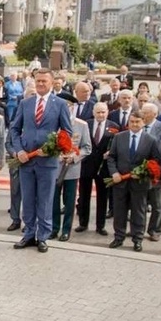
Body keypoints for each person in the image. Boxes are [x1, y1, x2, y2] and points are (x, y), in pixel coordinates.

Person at [9, 69, 73, 252]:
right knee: (27, 199)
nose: (41, 84)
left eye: (44, 81)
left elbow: (66, 133)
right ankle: (29, 234)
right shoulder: (25, 103)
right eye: (38, 81)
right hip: (26, 161)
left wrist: (53, 148)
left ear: (52, 83)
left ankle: (43, 236)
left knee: (45, 200)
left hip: (48, 162)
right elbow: (14, 129)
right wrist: (19, 150)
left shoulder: (60, 104)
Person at [106, 112, 160, 252]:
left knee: (139, 211)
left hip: (139, 183)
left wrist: (144, 173)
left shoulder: (151, 140)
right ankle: (119, 237)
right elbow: (111, 157)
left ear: (143, 122)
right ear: (128, 123)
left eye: (137, 121)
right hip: (120, 182)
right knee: (119, 211)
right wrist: (114, 172)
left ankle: (137, 239)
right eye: (132, 122)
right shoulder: (119, 137)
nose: (135, 124)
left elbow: (156, 161)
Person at [51, 92, 92, 242]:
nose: (65, 109)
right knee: (53, 201)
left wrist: (74, 157)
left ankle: (66, 230)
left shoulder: (81, 125)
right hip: (54, 168)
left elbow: (87, 147)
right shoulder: (51, 123)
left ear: (72, 107)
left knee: (69, 202)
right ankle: (54, 228)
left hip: (72, 169)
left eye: (68, 106)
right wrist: (56, 155)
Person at [76, 102, 118, 236]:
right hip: (86, 165)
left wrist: (111, 152)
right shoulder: (85, 124)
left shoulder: (114, 127)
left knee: (102, 197)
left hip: (103, 167)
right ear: (93, 112)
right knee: (84, 195)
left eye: (103, 112)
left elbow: (117, 144)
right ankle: (83, 223)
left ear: (107, 112)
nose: (101, 115)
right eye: (98, 112)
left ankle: (100, 226)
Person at [140, 103, 161, 241]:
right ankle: (138, 229)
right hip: (139, 173)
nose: (143, 115)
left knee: (158, 205)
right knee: (139, 204)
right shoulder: (137, 125)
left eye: (146, 112)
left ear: (154, 114)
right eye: (142, 112)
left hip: (157, 174)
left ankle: (155, 230)